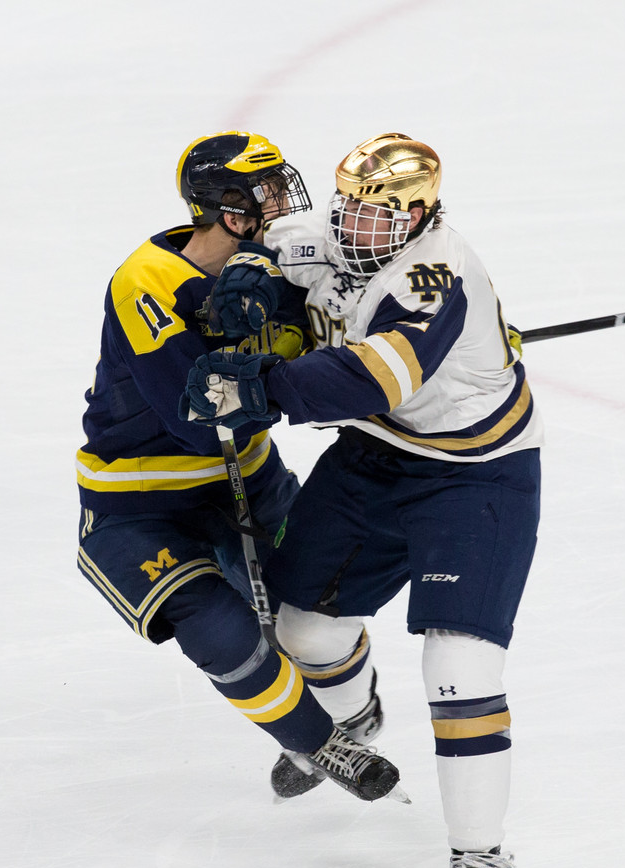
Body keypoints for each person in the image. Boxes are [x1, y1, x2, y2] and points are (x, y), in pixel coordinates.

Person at [184, 132, 544, 868]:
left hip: (475, 478)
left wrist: (259, 384)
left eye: (376, 214)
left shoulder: (433, 276)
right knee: (304, 633)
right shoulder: (342, 230)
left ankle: (478, 862)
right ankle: (353, 719)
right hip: (377, 459)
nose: (352, 225)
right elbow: (271, 248)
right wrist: (248, 284)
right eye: (348, 205)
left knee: (460, 671)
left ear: (418, 215)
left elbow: (363, 381)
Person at [75, 130, 402, 804]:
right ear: (226, 205)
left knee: (311, 608)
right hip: (141, 504)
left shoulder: (281, 261)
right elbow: (196, 420)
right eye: (267, 191)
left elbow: (342, 329)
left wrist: (436, 344)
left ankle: (355, 710)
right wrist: (283, 378)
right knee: (216, 628)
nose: (285, 201)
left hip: (250, 476)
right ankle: (321, 742)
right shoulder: (149, 282)